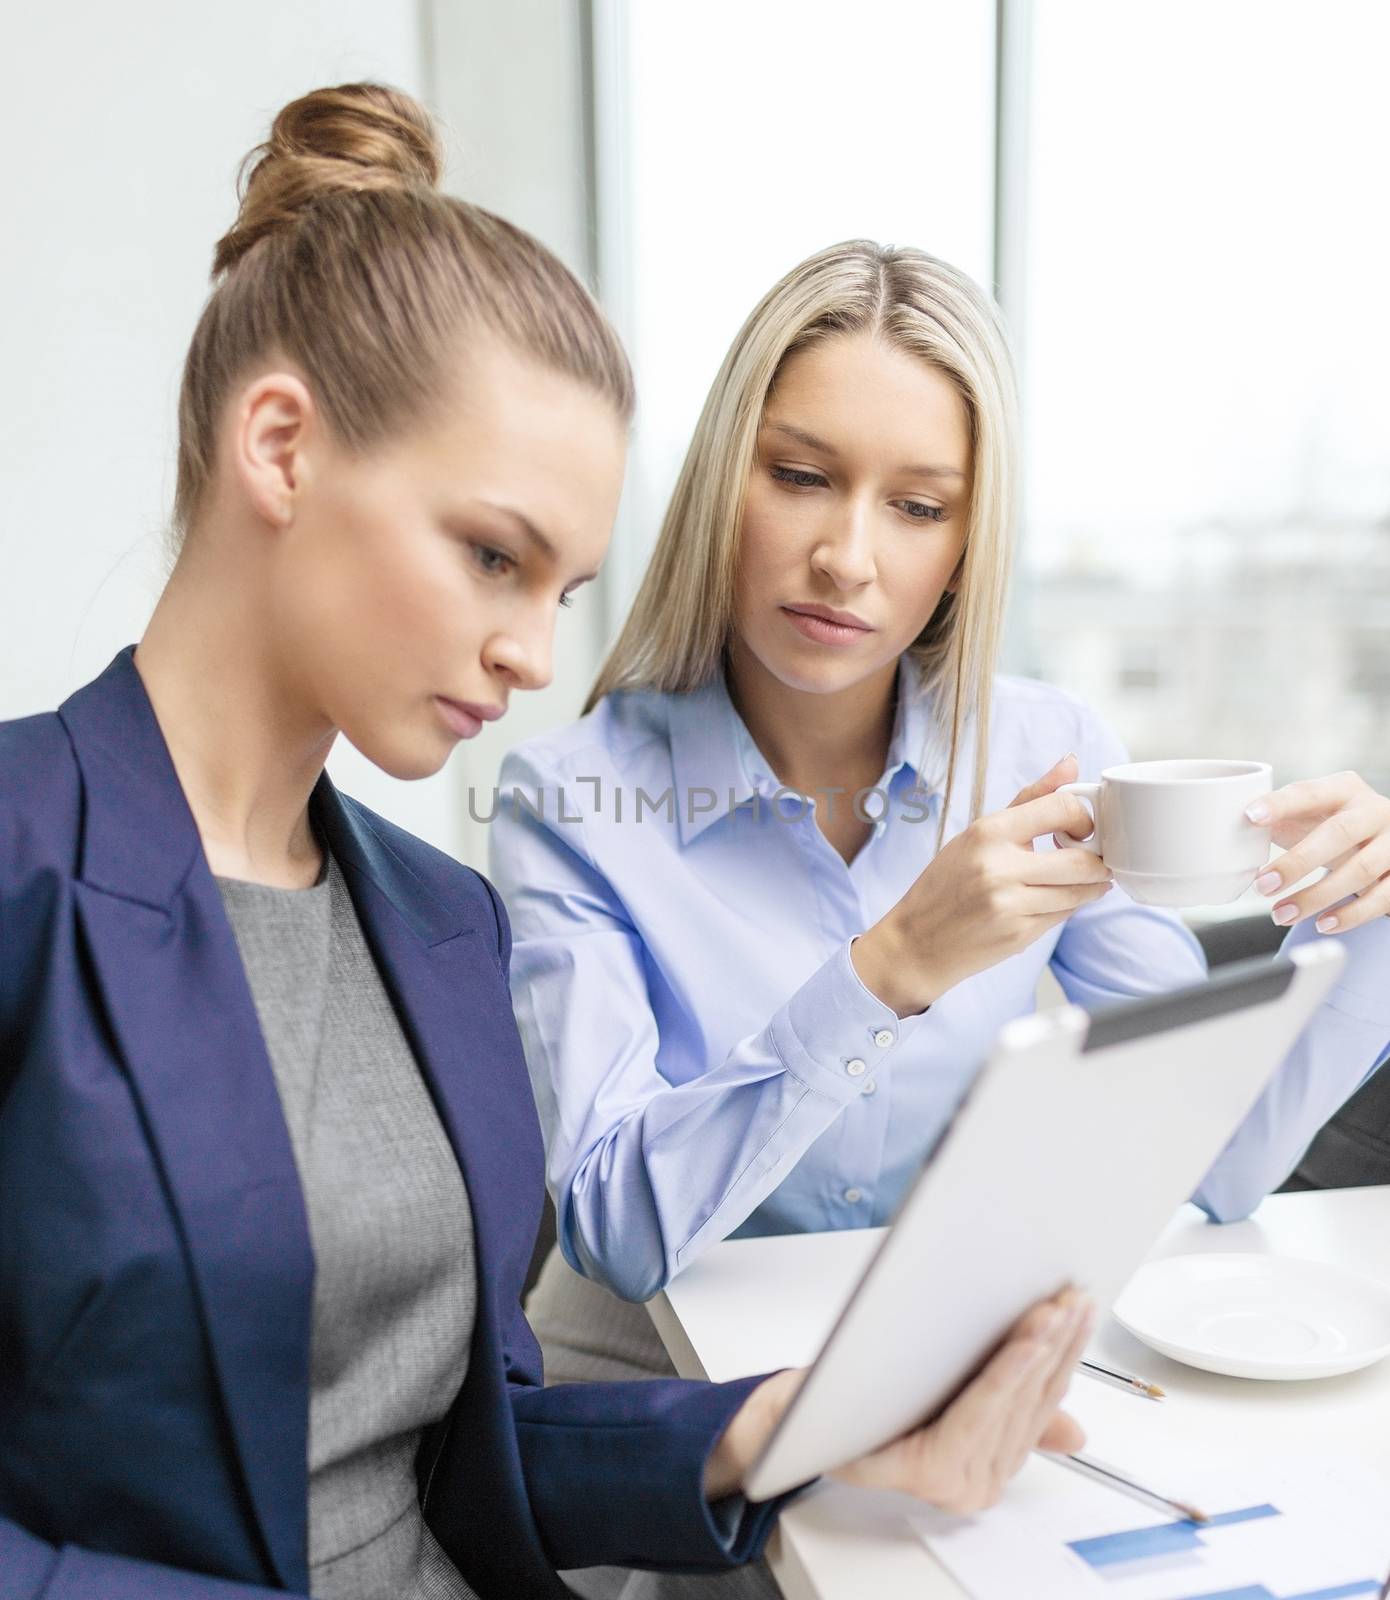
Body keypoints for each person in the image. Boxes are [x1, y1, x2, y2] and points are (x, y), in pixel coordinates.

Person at [0, 89, 1097, 1600]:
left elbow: (460, 1456)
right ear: (280, 447)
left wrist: (776, 1434)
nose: (530, 655)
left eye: (563, 589)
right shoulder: (19, 864)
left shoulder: (440, 925)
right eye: (492, 556)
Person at [488, 237, 1390, 1482]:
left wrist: (1370, 913)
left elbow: (1220, 1161)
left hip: (928, 1413)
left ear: (966, 545)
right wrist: (892, 963)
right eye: (801, 475)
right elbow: (615, 1228)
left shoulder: (1051, 749)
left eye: (917, 507)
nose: (848, 557)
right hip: (663, 1436)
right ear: (719, 487)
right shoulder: (570, 799)